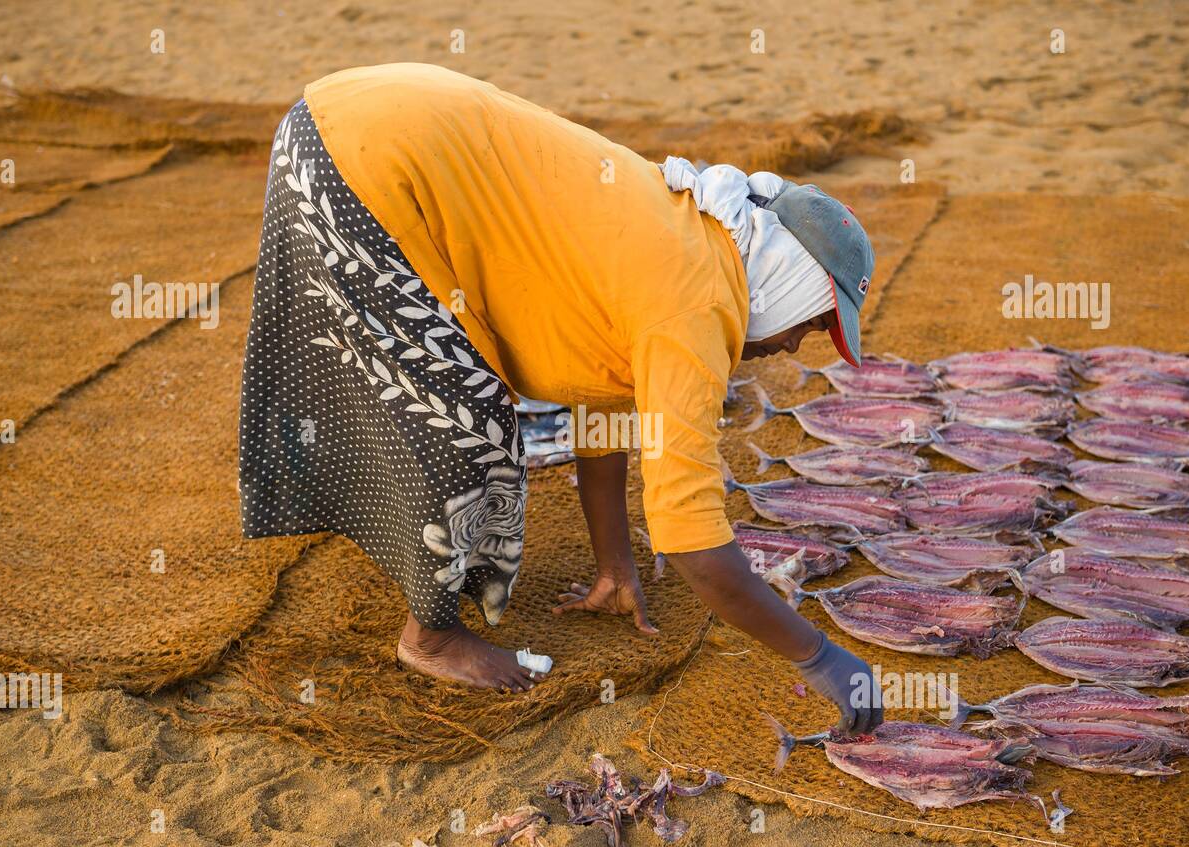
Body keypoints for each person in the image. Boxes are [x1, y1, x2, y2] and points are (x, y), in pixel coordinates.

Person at [237, 63, 882, 734]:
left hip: (345, 122)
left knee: (448, 385)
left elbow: (600, 399)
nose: (793, 347)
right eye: (813, 324)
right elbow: (694, 543)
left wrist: (615, 566)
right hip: (365, 161)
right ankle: (429, 638)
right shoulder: (698, 303)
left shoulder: (696, 240)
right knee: (471, 426)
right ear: (796, 282)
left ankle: (422, 580)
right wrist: (821, 656)